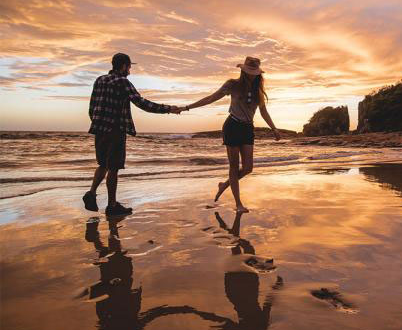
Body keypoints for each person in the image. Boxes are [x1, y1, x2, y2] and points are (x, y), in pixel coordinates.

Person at [83, 53, 183, 216]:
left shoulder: (99, 80)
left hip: (99, 129)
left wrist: (98, 122)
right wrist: (168, 109)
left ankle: (91, 193)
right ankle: (112, 205)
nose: (129, 70)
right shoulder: (123, 82)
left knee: (103, 165)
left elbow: (92, 106)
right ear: (123, 66)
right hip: (115, 130)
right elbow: (142, 103)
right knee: (114, 168)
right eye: (129, 66)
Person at [185, 57, 280, 213]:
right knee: (234, 167)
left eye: (254, 72)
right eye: (249, 72)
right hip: (232, 126)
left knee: (248, 168)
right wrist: (187, 107)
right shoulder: (232, 85)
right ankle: (238, 204)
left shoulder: (258, 90)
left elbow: (263, 111)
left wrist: (274, 129)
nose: (252, 75)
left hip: (248, 128)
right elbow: (210, 98)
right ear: (243, 70)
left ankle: (224, 185)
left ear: (258, 73)